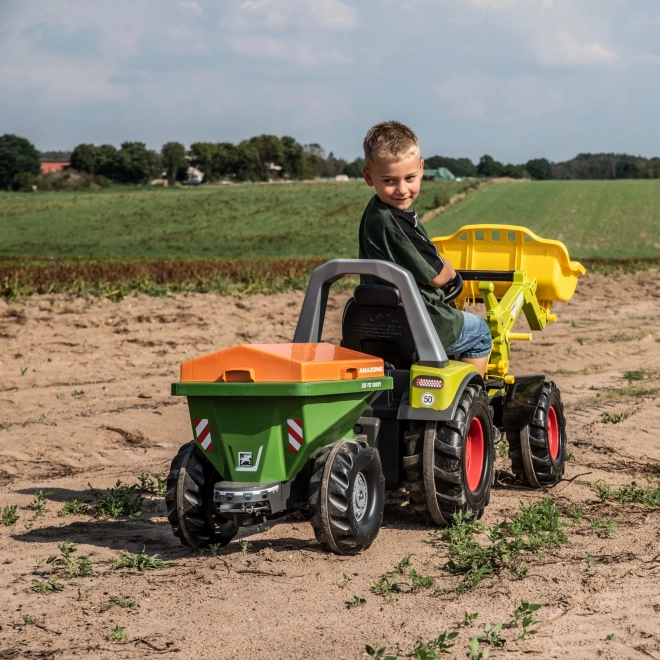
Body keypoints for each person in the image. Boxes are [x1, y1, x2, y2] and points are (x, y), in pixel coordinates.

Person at [358, 120, 492, 378]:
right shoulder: (396, 223)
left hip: (378, 322)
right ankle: (473, 395)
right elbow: (437, 275)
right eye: (389, 181)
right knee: (481, 333)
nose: (401, 190)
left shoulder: (375, 214)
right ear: (368, 176)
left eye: (409, 178)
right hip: (423, 323)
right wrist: (451, 272)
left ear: (421, 169)